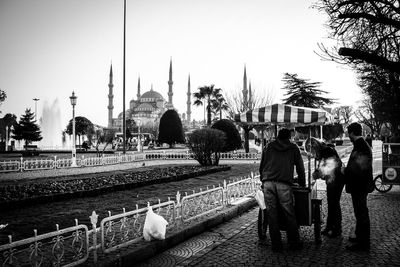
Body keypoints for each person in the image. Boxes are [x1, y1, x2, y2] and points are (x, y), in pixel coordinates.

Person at [259, 128, 306, 252]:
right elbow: (300, 167)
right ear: (289, 137)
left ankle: (276, 244)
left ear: (278, 136)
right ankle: (294, 242)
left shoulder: (268, 146)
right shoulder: (293, 148)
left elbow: (262, 165)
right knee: (289, 213)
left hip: (268, 183)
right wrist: (302, 183)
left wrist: (262, 180)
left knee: (272, 214)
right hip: (284, 184)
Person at [342, 122, 374, 251]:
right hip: (360, 184)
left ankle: (363, 243)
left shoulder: (361, 146)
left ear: (352, 133)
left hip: (360, 185)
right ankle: (360, 236)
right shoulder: (361, 144)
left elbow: (359, 168)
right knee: (359, 212)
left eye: (348, 133)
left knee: (361, 213)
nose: (347, 136)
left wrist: (345, 171)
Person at [307, 137, 345, 238]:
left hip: (337, 180)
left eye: (312, 151)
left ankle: (337, 229)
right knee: (331, 203)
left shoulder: (328, 151)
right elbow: (322, 166)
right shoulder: (324, 151)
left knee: (334, 203)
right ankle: (329, 226)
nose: (313, 154)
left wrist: (318, 174)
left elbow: (330, 166)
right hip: (331, 180)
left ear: (315, 147)